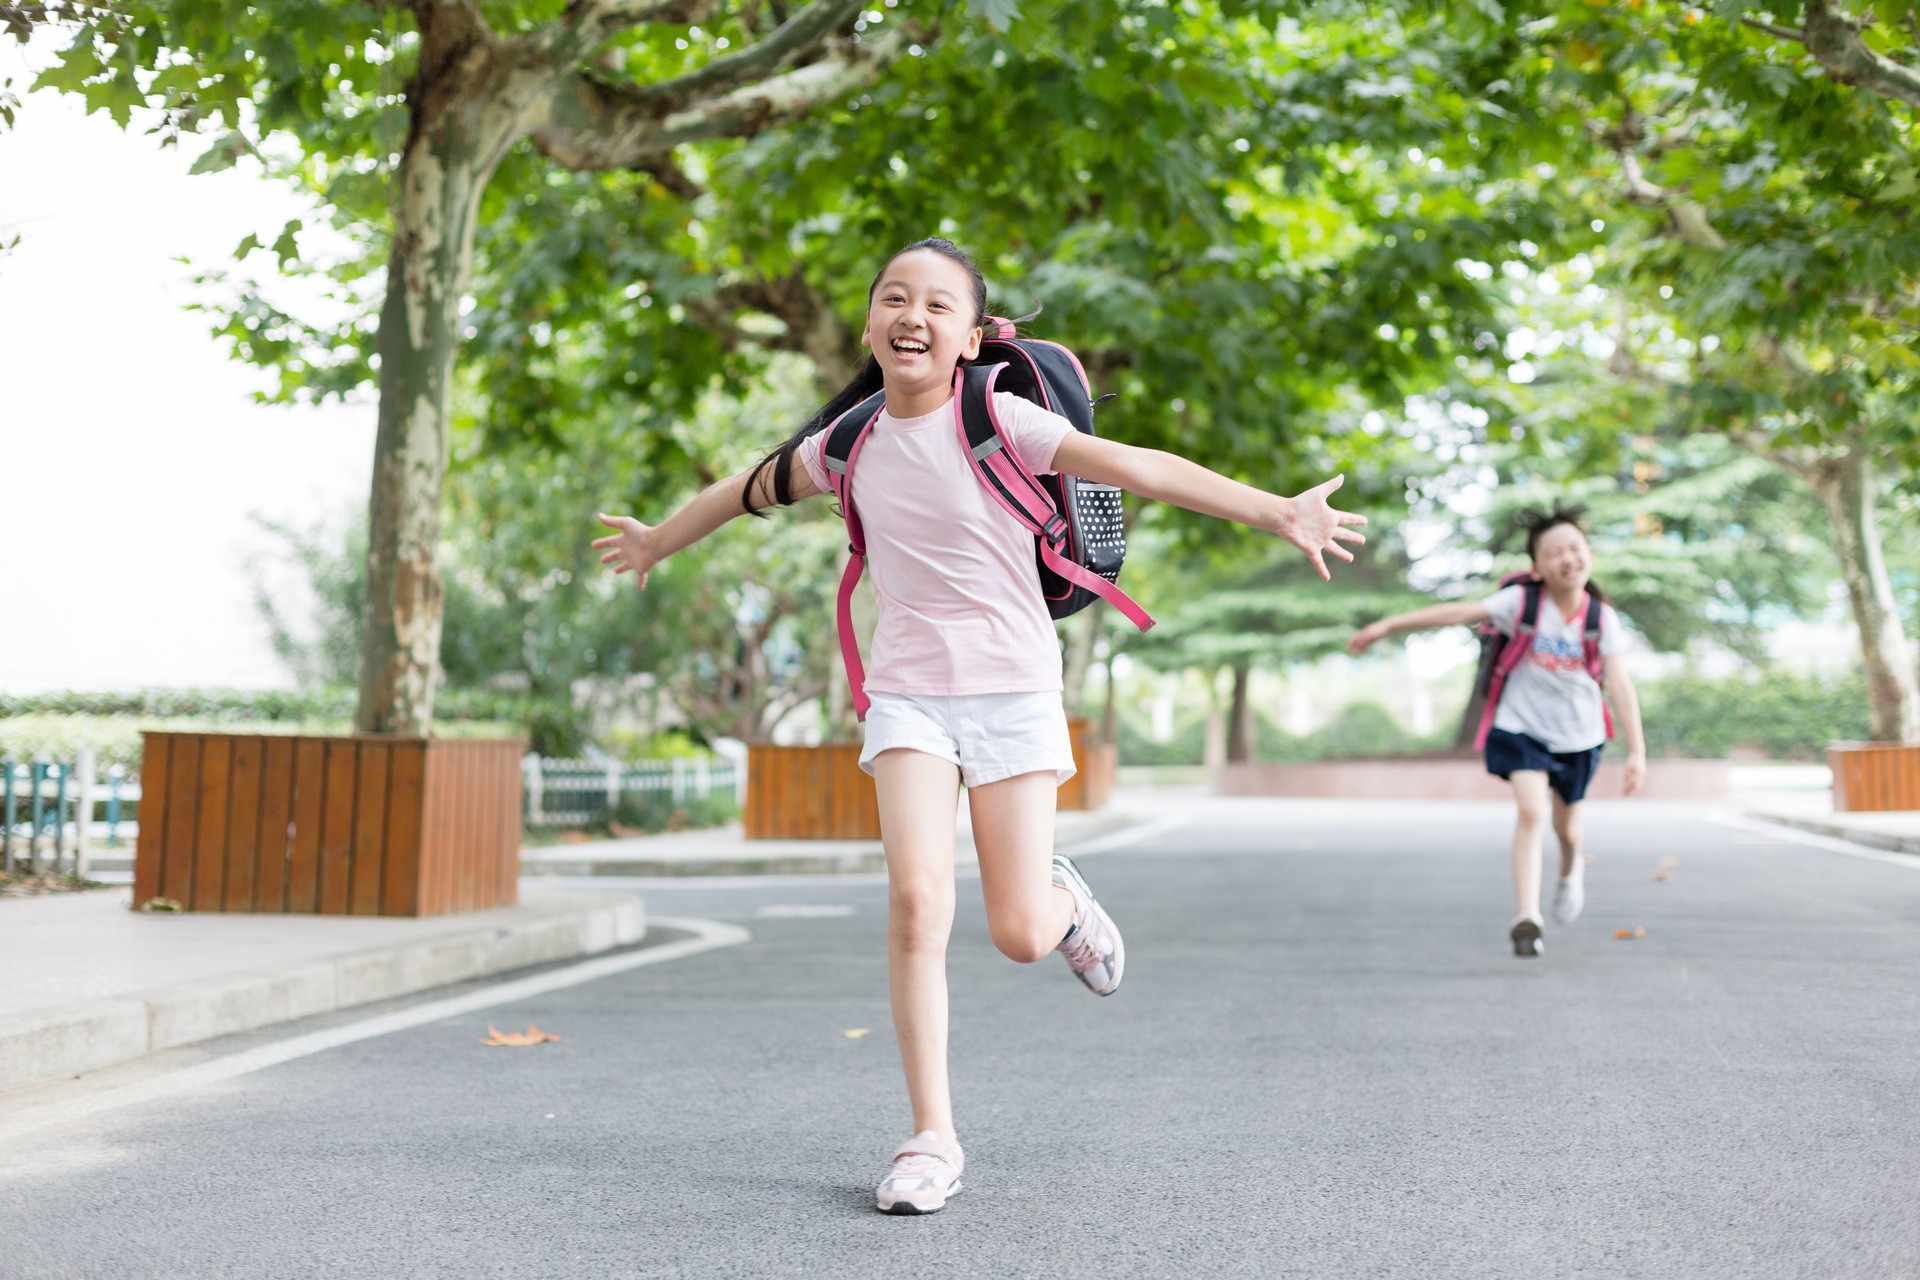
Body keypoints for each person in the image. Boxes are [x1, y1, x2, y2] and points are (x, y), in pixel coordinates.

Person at [593, 237, 1367, 1214]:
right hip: (910, 694)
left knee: (1013, 930)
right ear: (873, 323)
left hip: (1011, 689)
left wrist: (1277, 511)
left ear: (968, 336)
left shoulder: (999, 419)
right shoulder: (846, 444)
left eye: (937, 304)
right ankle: (931, 1136)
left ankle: (1066, 904)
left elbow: (1142, 465)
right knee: (917, 901)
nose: (911, 314)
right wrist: (661, 538)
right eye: (892, 298)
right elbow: (744, 489)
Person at [1347, 507, 1646, 958]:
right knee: (1531, 811)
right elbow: (1457, 613)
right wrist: (1389, 625)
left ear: (1588, 555)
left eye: (1574, 548)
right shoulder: (1521, 604)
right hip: (1522, 726)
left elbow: (1620, 686)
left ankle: (1569, 872)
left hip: (1579, 735)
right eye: (1553, 552)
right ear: (1536, 568)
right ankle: (1528, 916)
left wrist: (1637, 752)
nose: (1566, 558)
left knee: (1567, 828)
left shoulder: (1602, 619)